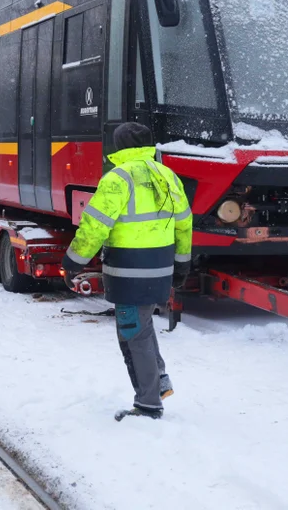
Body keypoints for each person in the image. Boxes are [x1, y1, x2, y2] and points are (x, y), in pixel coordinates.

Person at [62, 122, 193, 420]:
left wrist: (73, 263)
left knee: (133, 333)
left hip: (128, 268)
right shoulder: (166, 175)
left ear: (119, 146)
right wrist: (183, 263)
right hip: (160, 266)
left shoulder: (118, 178)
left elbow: (94, 227)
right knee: (142, 325)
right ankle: (158, 380)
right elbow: (185, 223)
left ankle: (148, 405)